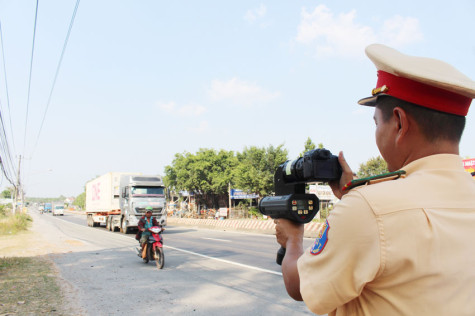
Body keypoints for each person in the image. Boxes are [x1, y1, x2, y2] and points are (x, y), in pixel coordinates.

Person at [274, 43, 475, 315]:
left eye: (376, 123)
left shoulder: (369, 209)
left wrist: (293, 239)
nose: (377, 133)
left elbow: (299, 286)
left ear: (399, 123)